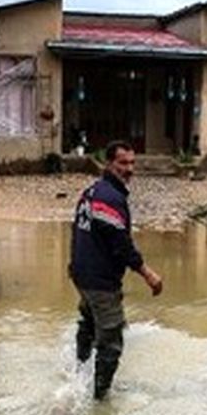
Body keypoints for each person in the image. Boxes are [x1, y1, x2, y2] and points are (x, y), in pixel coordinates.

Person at [69, 140, 163, 399]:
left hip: (82, 275)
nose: (129, 168)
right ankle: (100, 398)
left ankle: (79, 373)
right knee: (111, 341)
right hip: (99, 281)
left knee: (88, 323)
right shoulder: (110, 198)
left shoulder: (91, 191)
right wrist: (148, 274)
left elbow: (76, 231)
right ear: (109, 164)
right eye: (123, 163)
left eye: (133, 162)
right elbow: (122, 246)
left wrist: (74, 267)